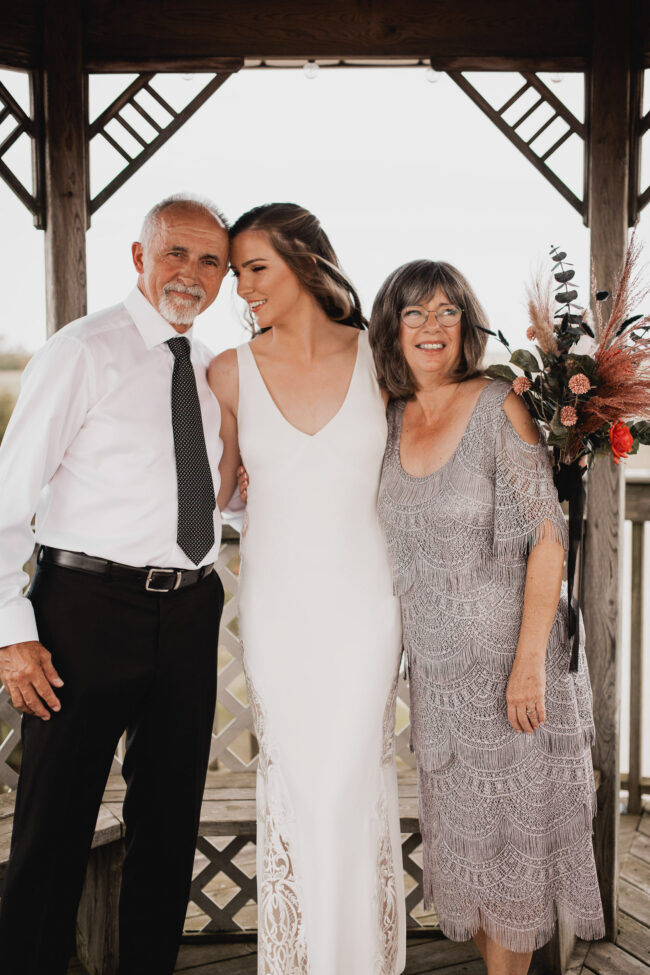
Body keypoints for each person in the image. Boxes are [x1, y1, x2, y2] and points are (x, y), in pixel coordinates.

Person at [0, 194, 232, 975]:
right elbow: (8, 500)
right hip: (84, 613)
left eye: (210, 261)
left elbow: (215, 492)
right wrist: (13, 630)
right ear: (139, 258)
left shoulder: (210, 371)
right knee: (53, 828)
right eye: (176, 254)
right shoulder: (81, 351)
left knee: (168, 830)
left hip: (193, 610)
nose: (192, 274)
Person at [370, 259, 605, 975]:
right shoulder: (385, 413)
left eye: (447, 311)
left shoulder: (496, 402)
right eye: (415, 312)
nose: (432, 326)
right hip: (438, 679)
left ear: (466, 325)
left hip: (512, 666)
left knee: (514, 859)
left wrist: (529, 662)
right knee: (470, 858)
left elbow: (547, 533)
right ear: (392, 327)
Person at [209, 203, 406, 975]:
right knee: (296, 782)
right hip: (278, 608)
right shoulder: (227, 369)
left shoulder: (382, 359)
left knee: (350, 781)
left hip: (367, 603)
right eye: (237, 273)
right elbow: (217, 492)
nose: (243, 286)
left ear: (305, 260)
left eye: (256, 267)